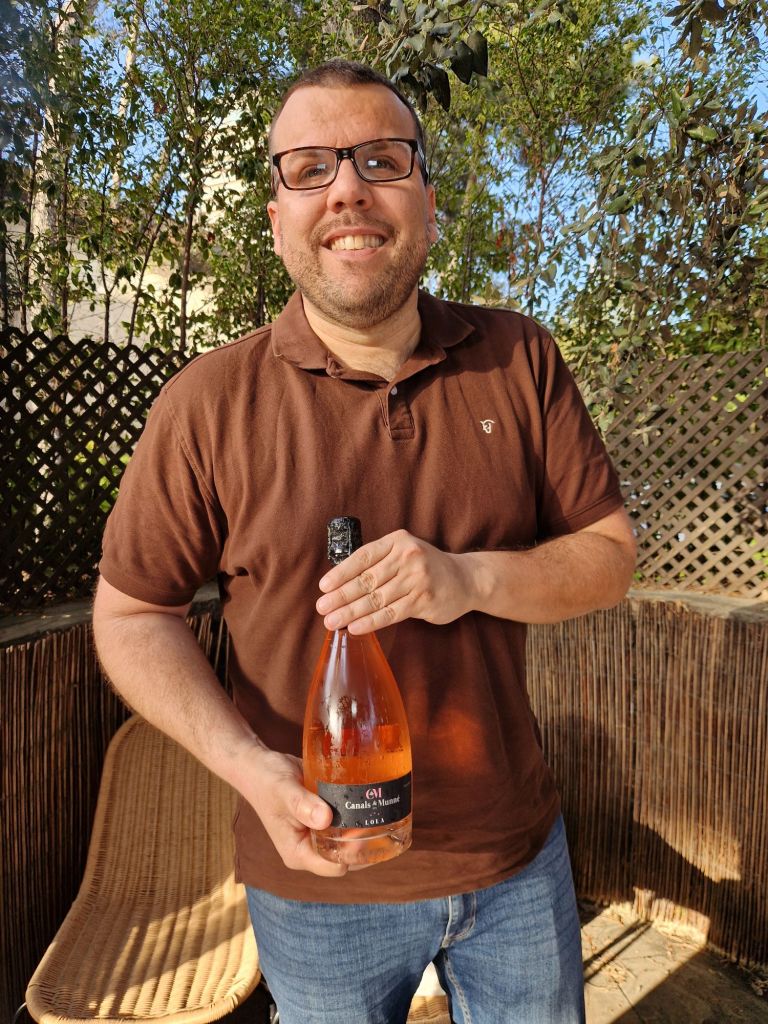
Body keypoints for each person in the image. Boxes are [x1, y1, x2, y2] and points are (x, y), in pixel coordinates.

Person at [93, 59, 636, 1024]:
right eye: (310, 168)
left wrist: (466, 578)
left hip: (514, 861)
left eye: (382, 160)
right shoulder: (206, 405)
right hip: (317, 881)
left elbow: (608, 557)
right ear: (277, 219)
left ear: (428, 202)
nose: (347, 188)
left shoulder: (520, 358)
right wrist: (247, 767)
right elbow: (132, 615)